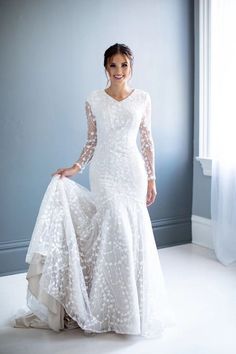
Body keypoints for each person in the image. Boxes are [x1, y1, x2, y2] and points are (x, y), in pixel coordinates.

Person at [10, 43, 176, 338]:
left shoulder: (143, 99)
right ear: (105, 68)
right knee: (114, 225)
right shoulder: (94, 100)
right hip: (105, 173)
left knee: (132, 232)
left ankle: (132, 310)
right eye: (113, 65)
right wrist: (75, 167)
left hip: (133, 173)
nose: (118, 71)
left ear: (131, 67)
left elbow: (147, 140)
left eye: (124, 65)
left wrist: (152, 178)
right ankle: (104, 309)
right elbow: (91, 141)